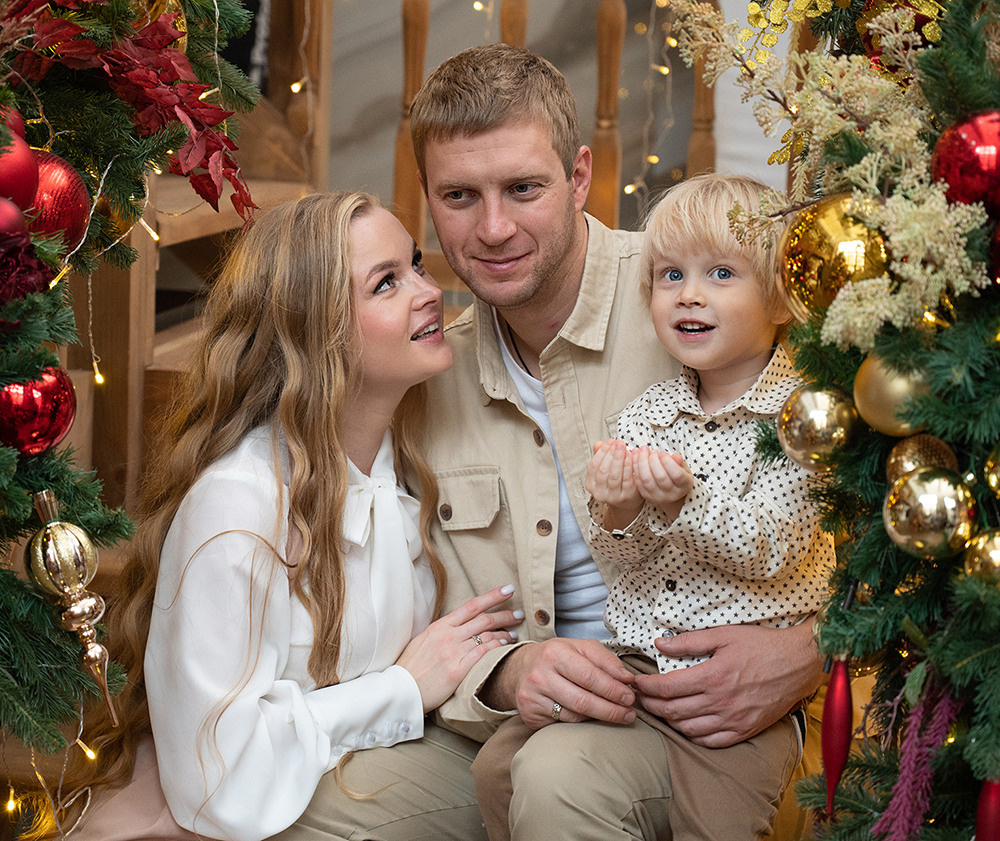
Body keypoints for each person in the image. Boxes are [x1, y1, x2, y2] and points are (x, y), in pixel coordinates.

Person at [403, 43, 829, 841]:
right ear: (429, 199)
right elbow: (396, 599)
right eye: (460, 195)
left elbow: (864, 506)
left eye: (523, 188)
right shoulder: (423, 374)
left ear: (578, 177)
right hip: (510, 727)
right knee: (319, 802)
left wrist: (812, 649)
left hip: (707, 723)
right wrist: (507, 674)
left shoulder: (697, 295)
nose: (493, 228)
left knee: (557, 779)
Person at [60, 191, 520, 841]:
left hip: (343, 791)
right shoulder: (237, 508)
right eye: (387, 282)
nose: (428, 289)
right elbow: (221, 772)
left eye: (415, 264)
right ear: (318, 329)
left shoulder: (402, 463)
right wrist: (401, 689)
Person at [470, 173, 836, 840]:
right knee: (498, 765)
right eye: (670, 275)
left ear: (782, 298)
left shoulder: (801, 415)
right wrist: (615, 510)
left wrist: (679, 504)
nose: (689, 294)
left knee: (718, 825)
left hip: (738, 704)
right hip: (639, 664)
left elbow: (772, 544)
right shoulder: (649, 415)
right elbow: (622, 558)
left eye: (721, 272)